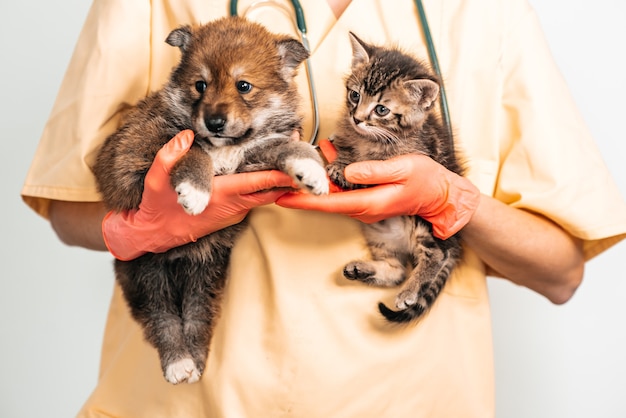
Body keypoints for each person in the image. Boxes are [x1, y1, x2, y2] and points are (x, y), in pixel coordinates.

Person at [21, 0, 626, 416]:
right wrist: (144, 226)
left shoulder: (486, 13)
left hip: (412, 397)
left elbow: (562, 270)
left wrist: (451, 198)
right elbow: (68, 207)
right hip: (196, 400)